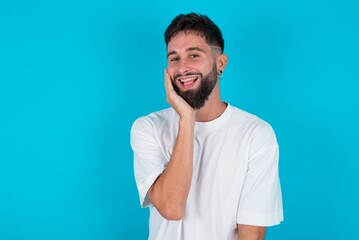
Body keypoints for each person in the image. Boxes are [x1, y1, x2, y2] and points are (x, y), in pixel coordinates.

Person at [130, 13, 283, 240]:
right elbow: (171, 208)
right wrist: (187, 119)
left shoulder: (256, 134)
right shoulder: (148, 128)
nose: (182, 68)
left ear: (220, 63)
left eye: (193, 55)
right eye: (174, 58)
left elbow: (252, 234)